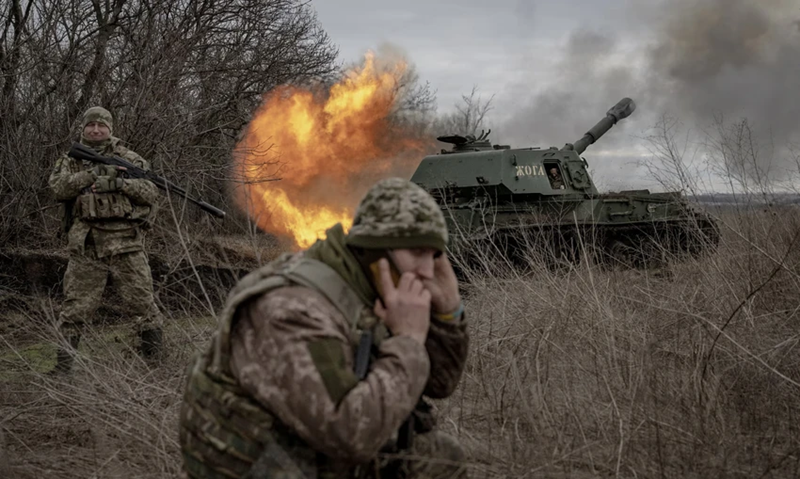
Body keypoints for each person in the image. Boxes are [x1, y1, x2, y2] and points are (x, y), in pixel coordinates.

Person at [179, 177, 470, 478]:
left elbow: (439, 383)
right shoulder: (293, 309)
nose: (427, 270)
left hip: (310, 451)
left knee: (440, 458)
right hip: (265, 465)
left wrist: (449, 311)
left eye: (434, 254)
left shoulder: (373, 286)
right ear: (376, 250)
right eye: (417, 252)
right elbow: (348, 436)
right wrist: (408, 340)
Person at [48, 106, 165, 373]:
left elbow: (151, 191)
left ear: (110, 129)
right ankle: (61, 370)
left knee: (143, 303)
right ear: (84, 129)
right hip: (86, 245)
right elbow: (57, 188)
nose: (97, 130)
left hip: (127, 243)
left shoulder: (129, 158)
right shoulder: (70, 159)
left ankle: (156, 365)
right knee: (75, 308)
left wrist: (120, 184)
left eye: (102, 126)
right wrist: (91, 175)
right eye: (92, 125)